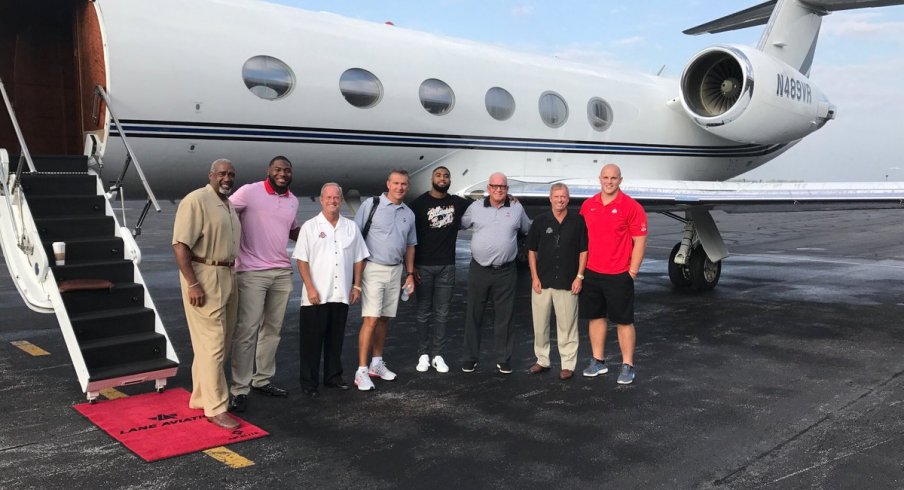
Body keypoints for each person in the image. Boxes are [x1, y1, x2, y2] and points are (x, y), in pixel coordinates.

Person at [172, 159, 241, 429]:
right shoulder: (196, 200)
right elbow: (180, 245)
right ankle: (216, 407)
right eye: (222, 173)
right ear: (211, 175)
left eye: (231, 174)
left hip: (228, 274)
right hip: (204, 274)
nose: (227, 178)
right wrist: (192, 283)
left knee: (220, 341)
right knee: (213, 343)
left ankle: (201, 396)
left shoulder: (228, 203)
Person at [226, 156, 300, 413]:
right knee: (247, 331)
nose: (282, 174)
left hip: (281, 272)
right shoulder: (249, 192)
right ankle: (239, 388)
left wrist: (323, 233)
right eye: (278, 169)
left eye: (287, 170)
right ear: (268, 171)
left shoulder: (293, 200)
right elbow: (223, 209)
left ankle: (262, 379)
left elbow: (291, 231)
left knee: (272, 330)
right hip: (251, 273)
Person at [294, 183, 369, 397]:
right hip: (316, 295)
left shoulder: (350, 227)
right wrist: (309, 288)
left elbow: (359, 258)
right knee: (311, 342)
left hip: (341, 293)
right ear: (321, 199)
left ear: (341, 200)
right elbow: (302, 260)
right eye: (328, 197)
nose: (332, 201)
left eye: (336, 197)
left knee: (336, 339)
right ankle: (309, 383)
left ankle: (333, 377)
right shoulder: (310, 226)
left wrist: (356, 285)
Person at [579, 163, 648, 384]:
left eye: (614, 178)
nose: (609, 182)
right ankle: (598, 361)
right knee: (596, 318)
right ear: (600, 179)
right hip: (592, 272)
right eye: (606, 177)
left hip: (619, 274)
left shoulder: (631, 206)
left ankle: (628, 365)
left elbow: (640, 241)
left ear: (620, 180)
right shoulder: (588, 205)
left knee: (623, 321)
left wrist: (632, 272)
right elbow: (582, 240)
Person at [460, 172, 531, 374]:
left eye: (503, 187)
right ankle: (470, 358)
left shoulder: (517, 208)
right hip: (479, 269)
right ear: (488, 188)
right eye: (495, 186)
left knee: (505, 317)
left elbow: (527, 229)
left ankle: (503, 358)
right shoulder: (475, 207)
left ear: (507, 189)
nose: (498, 190)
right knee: (474, 315)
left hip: (506, 271)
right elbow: (461, 223)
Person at [353, 169, 417, 391]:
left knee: (383, 320)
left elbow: (410, 245)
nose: (400, 187)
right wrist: (356, 279)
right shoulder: (371, 205)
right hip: (373, 269)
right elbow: (356, 237)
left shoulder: (408, 213)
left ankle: (376, 364)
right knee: (370, 319)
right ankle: (361, 371)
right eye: (396, 183)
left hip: (396, 270)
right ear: (388, 183)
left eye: (404, 184)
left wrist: (409, 274)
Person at [408, 166, 471, 374]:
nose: (442, 179)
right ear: (432, 179)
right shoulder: (418, 204)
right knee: (423, 312)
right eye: (438, 175)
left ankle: (438, 355)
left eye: (446, 176)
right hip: (423, 267)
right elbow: (409, 236)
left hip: (447, 266)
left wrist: (511, 199)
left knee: (442, 313)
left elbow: (483, 205)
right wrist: (411, 266)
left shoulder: (458, 203)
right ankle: (423, 354)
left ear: (450, 180)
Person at [527, 183, 588, 380]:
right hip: (542, 283)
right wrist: (534, 277)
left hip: (567, 283)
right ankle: (542, 360)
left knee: (567, 326)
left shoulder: (578, 221)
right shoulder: (540, 221)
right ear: (550, 199)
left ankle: (568, 364)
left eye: (563, 197)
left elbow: (583, 251)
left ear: (568, 199)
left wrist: (579, 277)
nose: (560, 200)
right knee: (540, 325)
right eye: (556, 196)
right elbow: (532, 251)